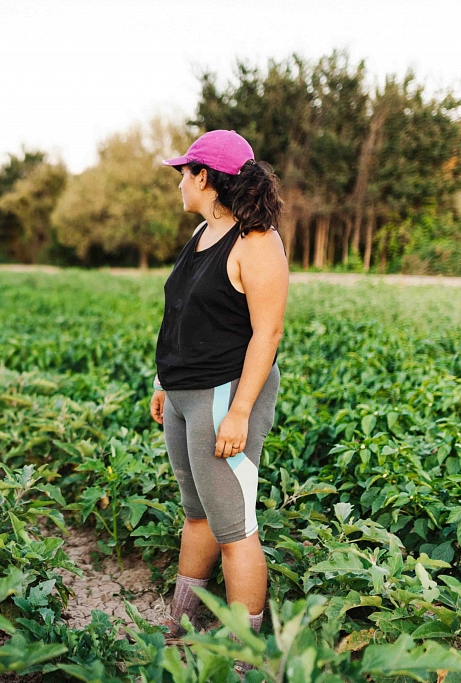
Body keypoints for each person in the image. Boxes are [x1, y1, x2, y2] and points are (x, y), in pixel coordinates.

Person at [150, 130, 288, 655]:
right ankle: (180, 631)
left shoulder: (257, 241)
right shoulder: (203, 234)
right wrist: (164, 381)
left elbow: (267, 333)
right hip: (185, 395)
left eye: (183, 172)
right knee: (197, 514)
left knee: (234, 527)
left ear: (203, 177)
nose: (179, 183)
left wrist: (240, 412)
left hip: (224, 396)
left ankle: (243, 654)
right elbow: (181, 312)